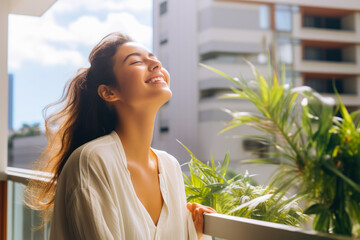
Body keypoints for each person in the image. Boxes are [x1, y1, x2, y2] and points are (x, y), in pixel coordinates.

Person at [25, 32, 216, 240]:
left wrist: (195, 234)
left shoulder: (170, 166)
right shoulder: (92, 161)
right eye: (136, 61)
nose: (156, 64)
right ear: (109, 92)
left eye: (154, 58)